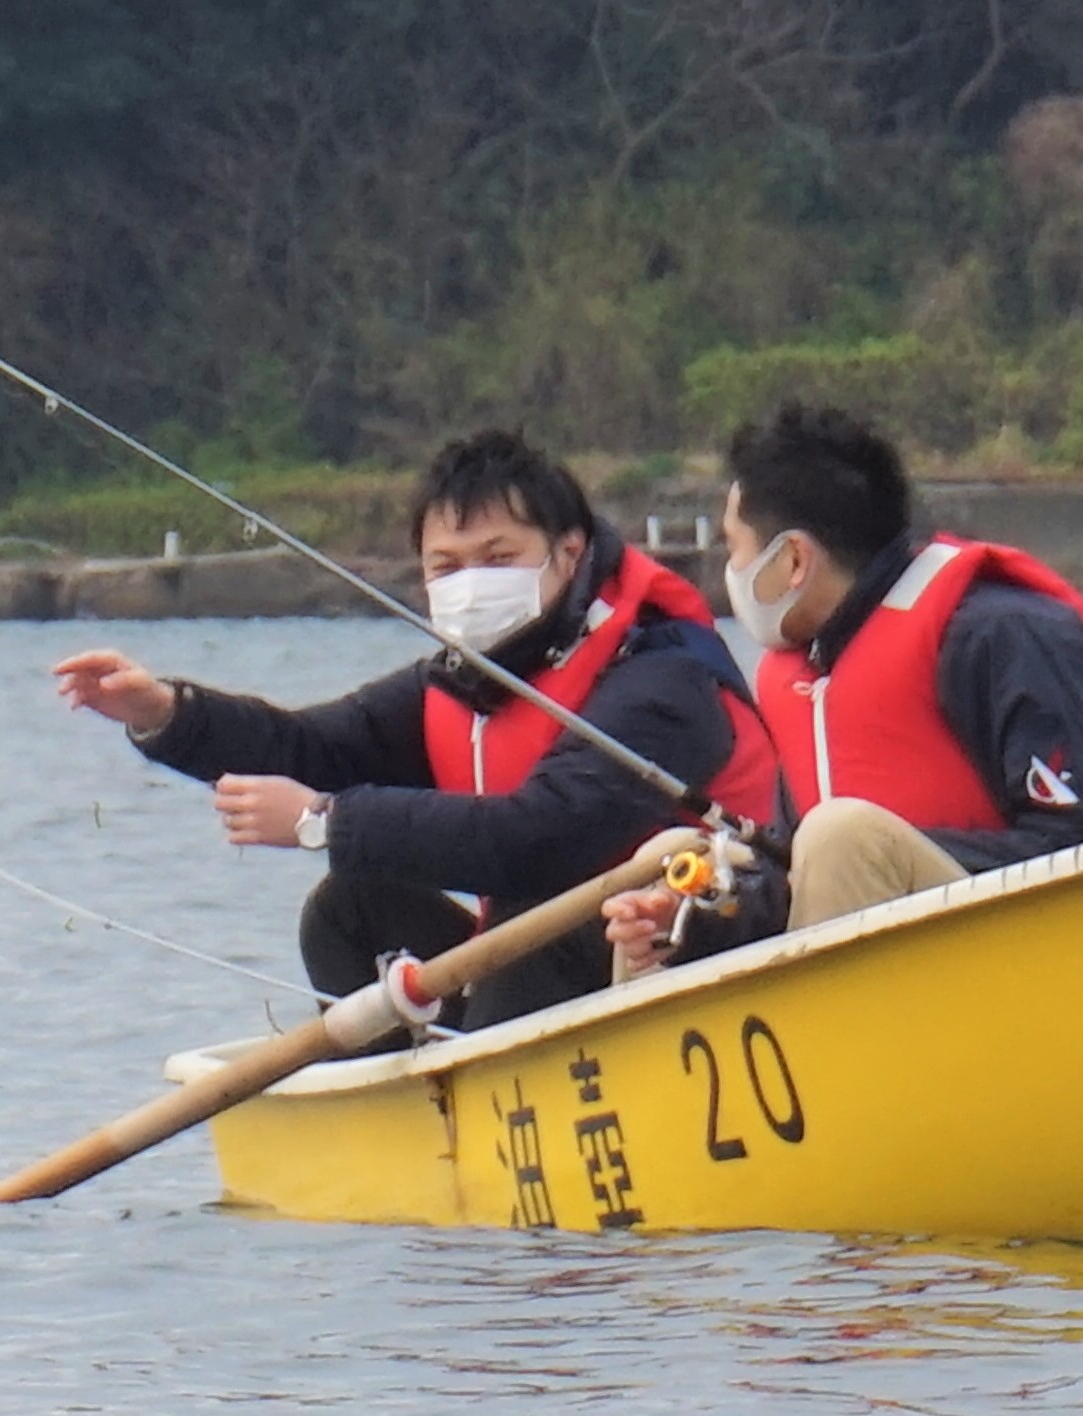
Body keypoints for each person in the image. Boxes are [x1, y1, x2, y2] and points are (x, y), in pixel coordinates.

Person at [53, 430, 776, 1031]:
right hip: (537, 977)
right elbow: (315, 747)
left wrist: (320, 821)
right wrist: (165, 712)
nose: (471, 582)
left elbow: (542, 839)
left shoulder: (661, 676)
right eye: (446, 566)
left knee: (529, 918)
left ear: (567, 552)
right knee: (348, 905)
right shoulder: (462, 681)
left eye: (498, 558)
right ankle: (408, 1109)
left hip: (682, 961)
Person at [610, 402, 1083, 979]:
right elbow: (794, 881)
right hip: (917, 980)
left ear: (794, 559)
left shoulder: (1000, 632)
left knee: (841, 837)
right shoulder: (804, 676)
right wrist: (693, 920)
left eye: (735, 548)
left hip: (1057, 967)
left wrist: (882, 860)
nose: (730, 570)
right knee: (675, 862)